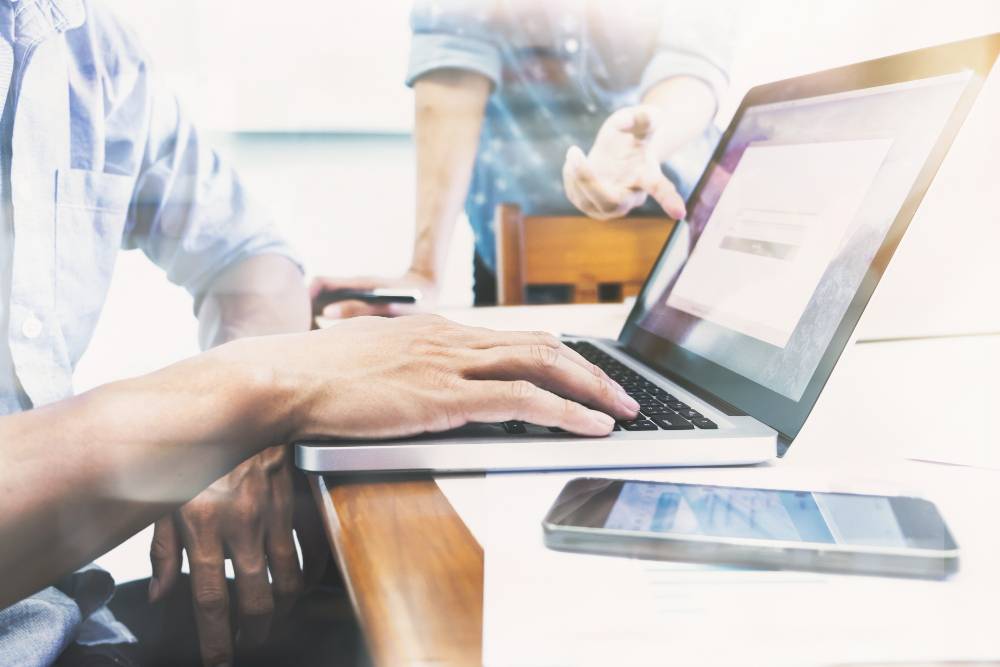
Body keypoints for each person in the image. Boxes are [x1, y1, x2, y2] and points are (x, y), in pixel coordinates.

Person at [0, 2, 639, 665]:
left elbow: (247, 254)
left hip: (64, 614)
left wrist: (240, 434)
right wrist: (252, 397)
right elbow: (256, 374)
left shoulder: (85, 45)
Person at [311, 0, 733, 316]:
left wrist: (646, 141)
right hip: (513, 238)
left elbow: (692, 60)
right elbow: (452, 66)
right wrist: (425, 272)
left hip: (687, 231)